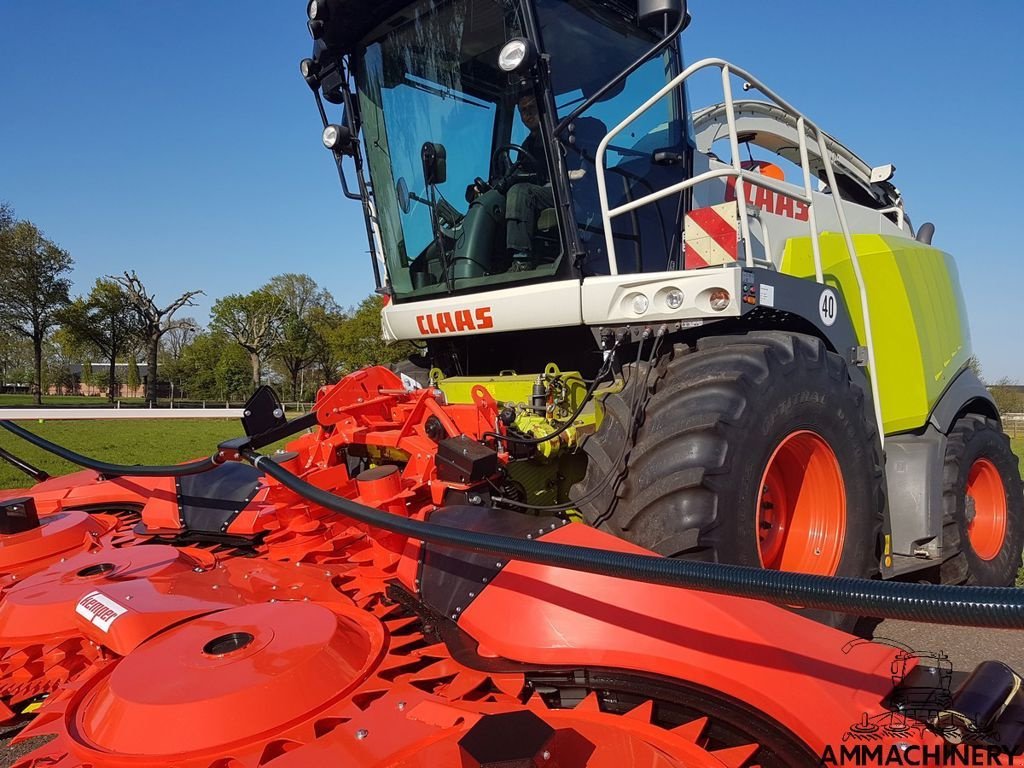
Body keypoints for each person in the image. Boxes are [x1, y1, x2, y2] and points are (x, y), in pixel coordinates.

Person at [504, 93, 554, 270]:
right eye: (523, 111)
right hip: (540, 193)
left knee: (520, 192)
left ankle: (521, 258)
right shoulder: (526, 146)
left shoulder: (558, 133)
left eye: (532, 107)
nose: (528, 114)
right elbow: (520, 171)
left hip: (561, 191)